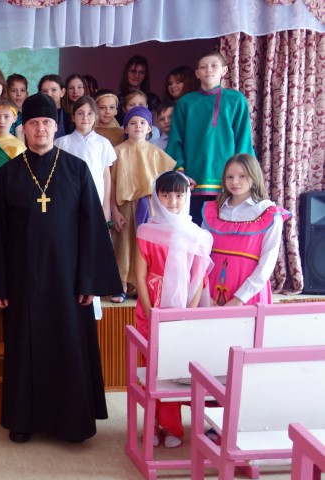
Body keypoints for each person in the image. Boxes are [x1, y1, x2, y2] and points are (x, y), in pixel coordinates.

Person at [0, 93, 122, 443]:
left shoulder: (76, 169)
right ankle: (23, 420)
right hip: (23, 280)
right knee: (23, 348)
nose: (40, 129)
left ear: (55, 127)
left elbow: (91, 227)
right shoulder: (9, 173)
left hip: (68, 280)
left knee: (67, 346)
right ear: (24, 129)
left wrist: (89, 280)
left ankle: (71, 423)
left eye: (45, 123)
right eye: (33, 124)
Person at [135, 171, 213, 449]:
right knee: (153, 368)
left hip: (183, 310)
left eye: (179, 195)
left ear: (187, 196)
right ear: (157, 197)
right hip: (152, 305)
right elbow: (139, 274)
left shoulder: (198, 236)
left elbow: (198, 279)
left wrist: (187, 314)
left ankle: (172, 428)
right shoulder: (146, 231)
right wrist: (150, 310)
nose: (172, 200)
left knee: (175, 370)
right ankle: (152, 426)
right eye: (166, 194)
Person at [166, 51, 255, 225]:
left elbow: (243, 140)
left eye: (214, 66)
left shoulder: (236, 100)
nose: (208, 70)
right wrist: (180, 173)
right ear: (197, 73)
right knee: (195, 231)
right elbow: (176, 141)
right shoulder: (185, 103)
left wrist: (242, 176)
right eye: (203, 67)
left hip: (228, 181)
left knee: (227, 229)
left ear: (224, 70)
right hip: (193, 181)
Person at [55, 96, 116, 320]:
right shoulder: (61, 143)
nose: (85, 118)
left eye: (90, 113)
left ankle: (93, 302)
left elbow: (106, 176)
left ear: (96, 117)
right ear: (72, 117)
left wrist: (106, 207)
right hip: (69, 206)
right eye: (80, 113)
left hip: (95, 203)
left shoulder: (103, 143)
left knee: (92, 249)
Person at [202, 154, 291, 306]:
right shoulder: (212, 211)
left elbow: (268, 262)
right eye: (229, 177)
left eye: (242, 176)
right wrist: (204, 295)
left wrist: (240, 299)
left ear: (254, 176)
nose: (234, 182)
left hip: (248, 294)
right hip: (210, 291)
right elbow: (201, 256)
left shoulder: (268, 213)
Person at [110, 106, 176, 303]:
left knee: (146, 247)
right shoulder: (118, 152)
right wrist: (114, 210)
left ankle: (142, 287)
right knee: (123, 245)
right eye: (132, 123)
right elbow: (111, 183)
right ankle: (121, 286)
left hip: (149, 206)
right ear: (125, 128)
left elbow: (167, 179)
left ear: (149, 128)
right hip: (125, 206)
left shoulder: (156, 153)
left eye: (142, 123)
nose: (137, 126)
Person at [117, 55, 161, 125]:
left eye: (141, 72)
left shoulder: (153, 99)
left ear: (145, 76)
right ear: (126, 73)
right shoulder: (118, 100)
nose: (137, 76)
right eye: (133, 71)